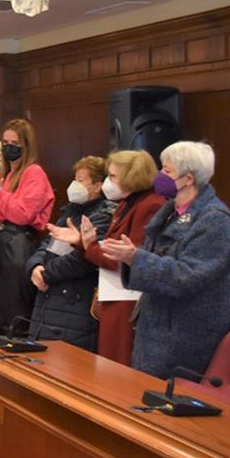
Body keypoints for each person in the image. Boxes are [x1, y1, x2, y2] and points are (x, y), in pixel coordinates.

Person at [102, 141, 230, 379]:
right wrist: (132, 258)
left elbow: (187, 276)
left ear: (188, 179)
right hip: (159, 325)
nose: (159, 176)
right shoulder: (170, 212)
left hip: (188, 331)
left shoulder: (214, 221)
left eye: (167, 171)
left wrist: (137, 258)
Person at [73, 150, 166, 365]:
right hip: (113, 294)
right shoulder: (127, 203)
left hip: (128, 297)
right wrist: (82, 242)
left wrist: (89, 246)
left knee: (117, 363)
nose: (108, 182)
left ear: (132, 177)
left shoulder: (150, 205)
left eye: (113, 176)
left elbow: (122, 257)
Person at [24, 156, 116, 352]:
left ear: (98, 186)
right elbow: (47, 244)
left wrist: (46, 274)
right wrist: (35, 266)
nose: (75, 184)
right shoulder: (69, 211)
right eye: (75, 178)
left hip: (74, 303)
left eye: (81, 180)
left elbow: (83, 258)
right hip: (48, 301)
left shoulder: (104, 215)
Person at [0, 118, 54, 332]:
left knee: (16, 308)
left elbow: (22, 214)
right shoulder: (5, 175)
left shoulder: (34, 173)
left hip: (19, 243)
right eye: (5, 142)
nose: (8, 147)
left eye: (15, 143)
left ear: (26, 146)